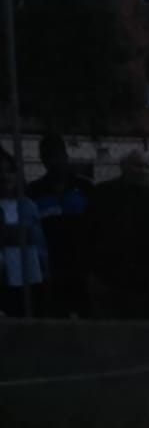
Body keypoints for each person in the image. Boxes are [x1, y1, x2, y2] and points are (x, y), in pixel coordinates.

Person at [85, 150, 149, 319]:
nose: (143, 171)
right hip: (106, 279)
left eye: (147, 167)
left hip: (142, 282)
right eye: (138, 166)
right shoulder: (102, 194)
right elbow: (88, 233)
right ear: (123, 167)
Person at [28, 133, 93, 317]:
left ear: (65, 156)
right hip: (50, 267)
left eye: (57, 155)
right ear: (43, 160)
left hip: (81, 265)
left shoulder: (84, 188)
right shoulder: (34, 191)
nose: (54, 162)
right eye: (48, 157)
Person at [0, 149, 48, 317]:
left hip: (27, 277)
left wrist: (44, 270)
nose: (5, 176)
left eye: (9, 171)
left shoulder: (27, 206)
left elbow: (39, 244)